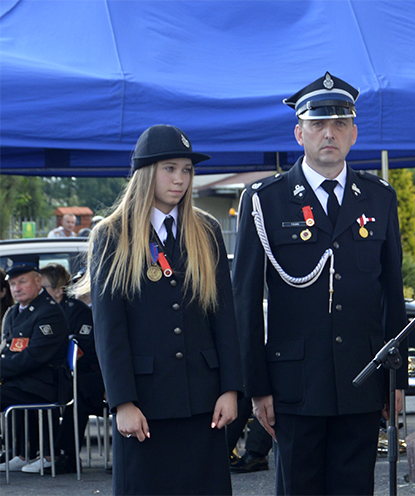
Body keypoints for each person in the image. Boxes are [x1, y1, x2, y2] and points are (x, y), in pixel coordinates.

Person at [233, 71, 406, 495]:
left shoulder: (379, 197)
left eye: (340, 123)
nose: (329, 133)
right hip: (294, 384)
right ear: (299, 133)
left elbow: (392, 294)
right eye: (317, 124)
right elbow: (245, 300)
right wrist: (256, 387)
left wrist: (394, 381)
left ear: (354, 133)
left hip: (361, 380)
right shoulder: (264, 200)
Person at [82, 124, 242, 495]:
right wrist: (122, 401)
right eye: (170, 168)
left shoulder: (206, 230)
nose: (180, 179)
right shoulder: (112, 235)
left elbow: (224, 317)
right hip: (145, 406)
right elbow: (110, 329)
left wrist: (231, 389)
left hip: (205, 403)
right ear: (146, 172)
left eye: (186, 170)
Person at [0, 256, 69, 472]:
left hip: (43, 384)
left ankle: (43, 455)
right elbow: (8, 350)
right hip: (21, 382)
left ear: (38, 282)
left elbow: (34, 357)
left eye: (22, 282)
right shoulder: (14, 312)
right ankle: (22, 452)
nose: (16, 288)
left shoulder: (48, 311)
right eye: (12, 284)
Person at [36, 263, 105, 474]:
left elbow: (86, 351)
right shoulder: (47, 311)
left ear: (58, 290)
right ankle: (31, 451)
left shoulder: (77, 312)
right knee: (38, 386)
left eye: (43, 286)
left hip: (90, 375)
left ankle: (63, 454)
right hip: (68, 374)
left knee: (78, 391)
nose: (40, 291)